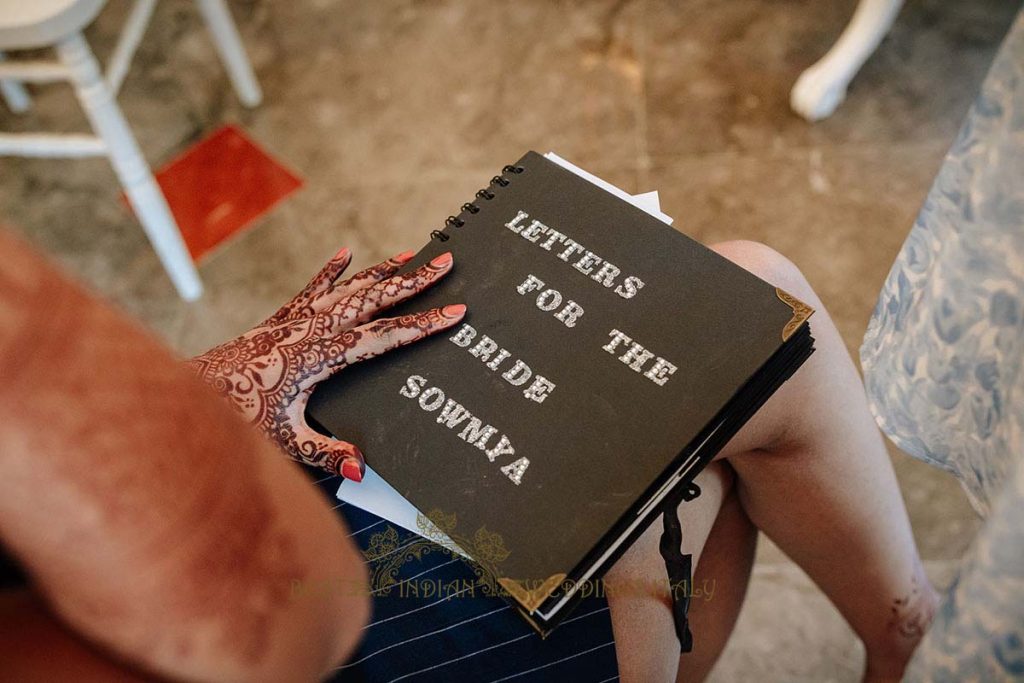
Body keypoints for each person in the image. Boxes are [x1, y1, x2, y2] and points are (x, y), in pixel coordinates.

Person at [0, 227, 936, 682]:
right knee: (732, 369)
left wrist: (226, 387)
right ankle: (905, 633)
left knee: (737, 319)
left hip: (177, 574)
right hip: (290, 627)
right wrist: (206, 406)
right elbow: (282, 625)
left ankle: (899, 629)